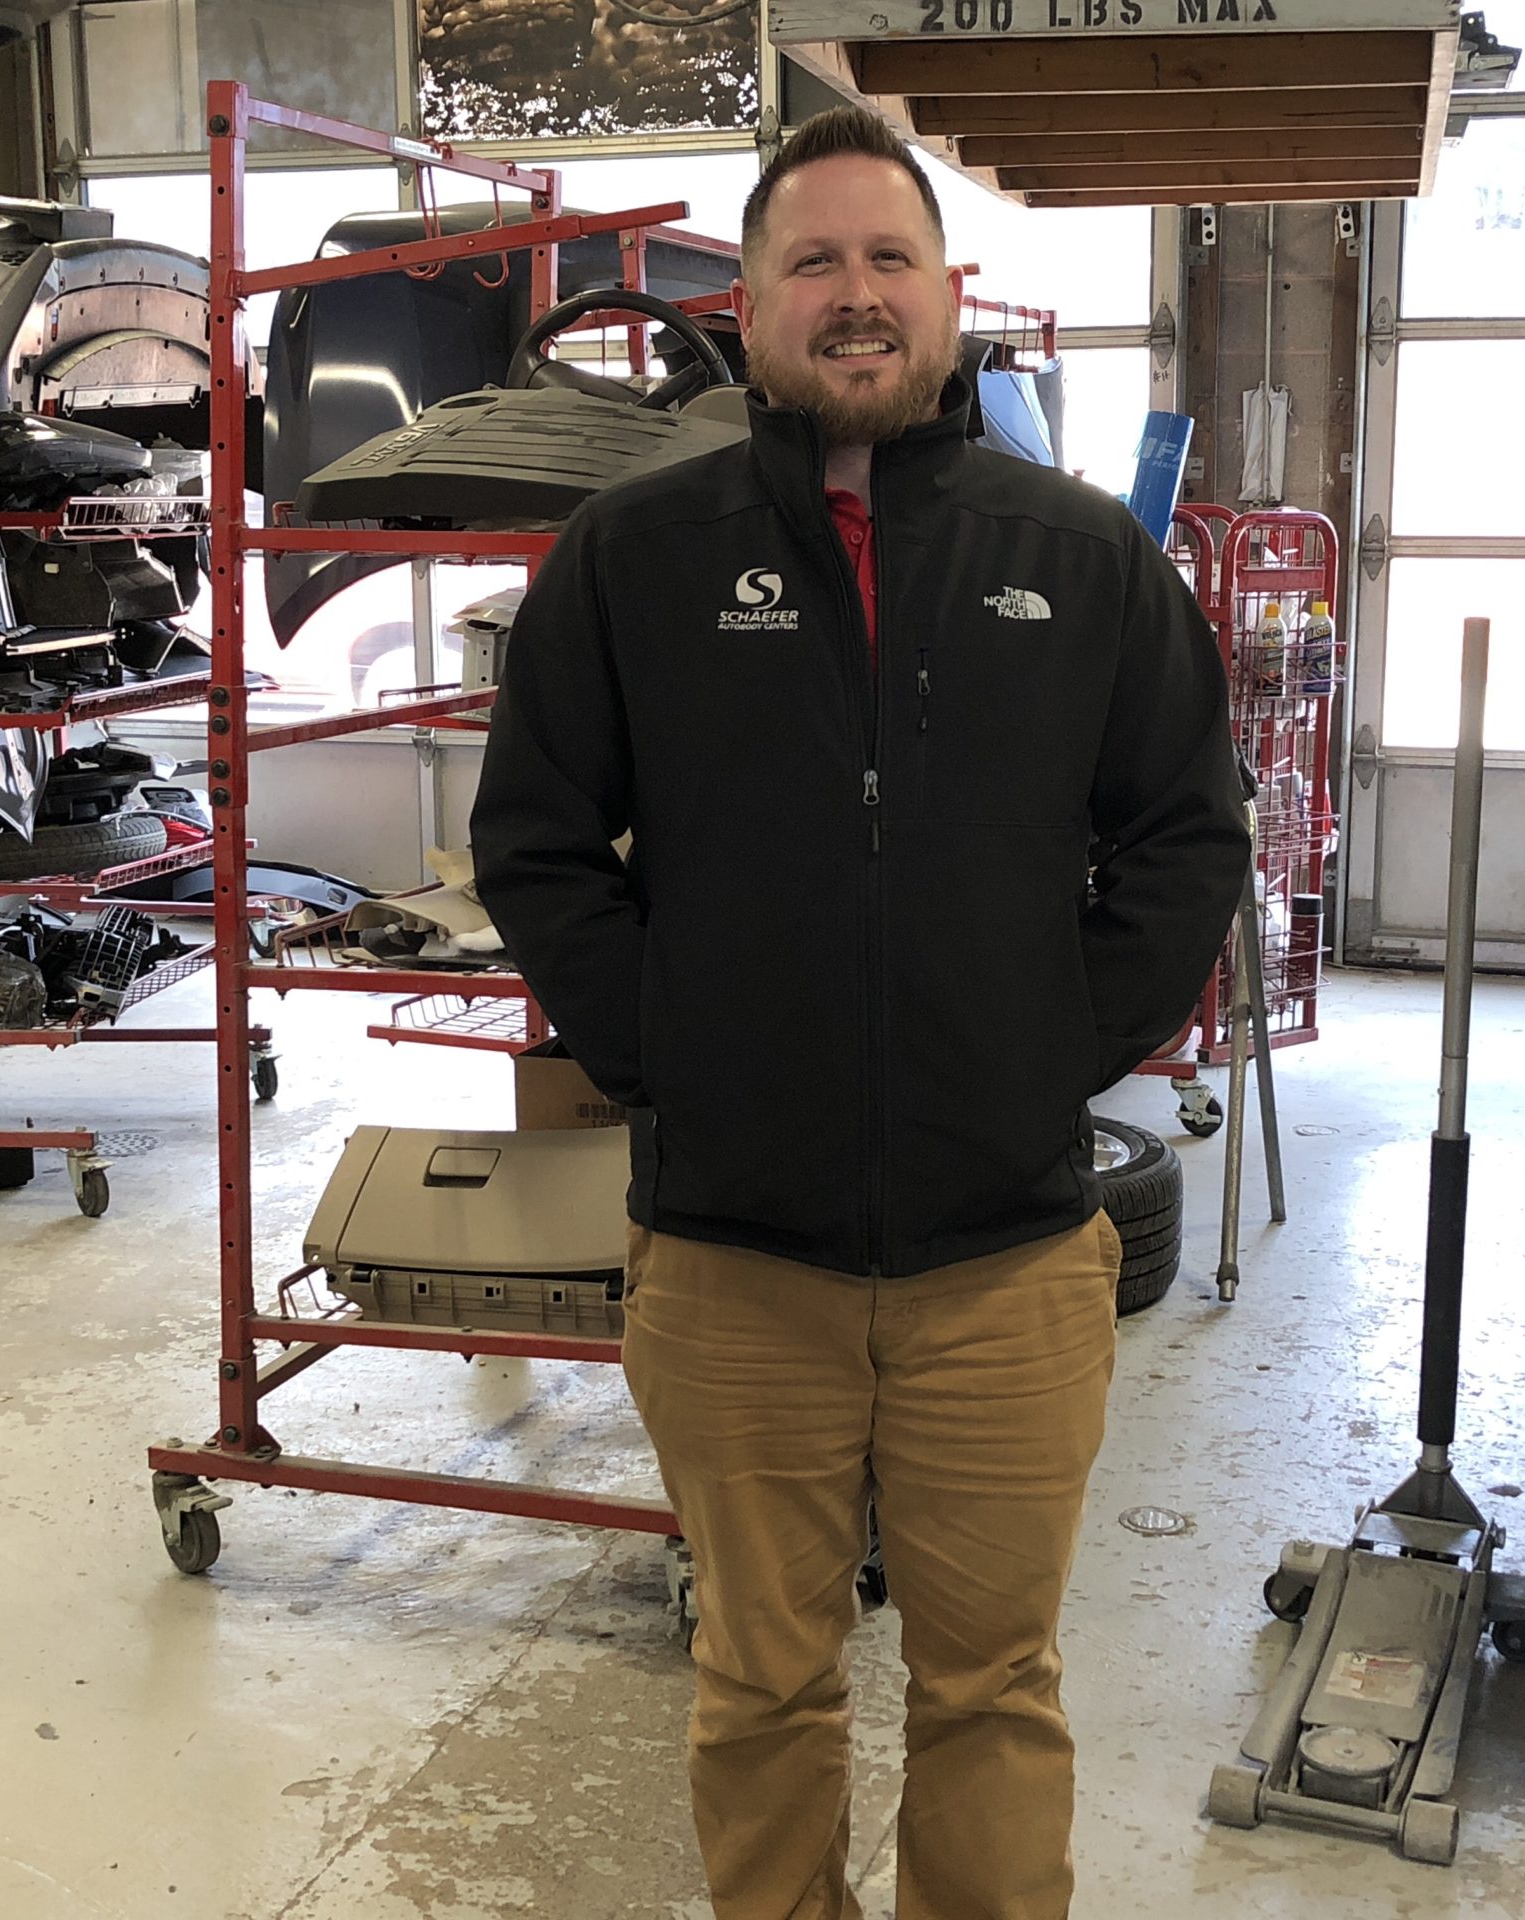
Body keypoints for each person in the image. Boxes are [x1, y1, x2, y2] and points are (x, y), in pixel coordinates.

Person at [472, 106, 1249, 1920]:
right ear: (744, 307)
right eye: (810, 263)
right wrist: (675, 1047)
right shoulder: (632, 557)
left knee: (993, 1687)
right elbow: (536, 840)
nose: (854, 297)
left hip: (1006, 1261)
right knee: (760, 1685)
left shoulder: (1079, 559)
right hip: (739, 1263)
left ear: (948, 296)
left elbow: (1185, 831)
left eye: (888, 260)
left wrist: (1044, 1047)